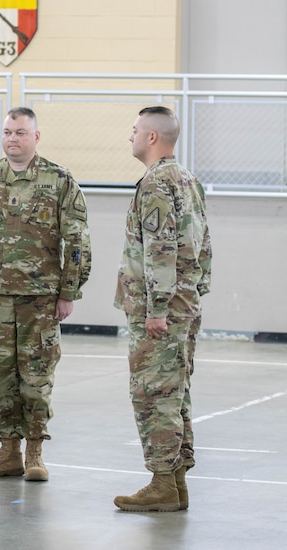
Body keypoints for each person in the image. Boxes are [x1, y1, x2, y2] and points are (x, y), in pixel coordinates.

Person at [0, 107, 91, 482]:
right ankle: (7, 451)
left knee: (37, 376)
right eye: (7, 132)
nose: (12, 139)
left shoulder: (59, 180)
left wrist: (69, 290)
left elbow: (78, 241)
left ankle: (35, 451)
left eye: (20, 133)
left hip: (41, 298)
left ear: (36, 137)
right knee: (0, 375)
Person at [113, 106, 212, 512]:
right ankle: (176, 481)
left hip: (161, 311)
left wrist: (156, 308)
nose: (130, 136)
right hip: (184, 304)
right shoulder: (188, 179)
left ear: (152, 137)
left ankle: (161, 482)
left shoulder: (155, 183)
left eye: (135, 130)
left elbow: (159, 249)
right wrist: (197, 291)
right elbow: (205, 244)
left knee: (153, 394)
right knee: (176, 392)